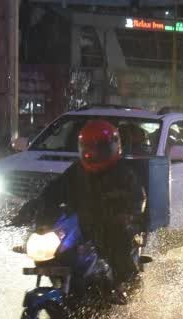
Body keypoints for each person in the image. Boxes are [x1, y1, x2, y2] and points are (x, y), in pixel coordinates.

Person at [16, 119, 146, 302]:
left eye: (99, 149)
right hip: (82, 224)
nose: (93, 154)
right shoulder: (77, 171)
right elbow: (53, 191)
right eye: (89, 148)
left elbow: (138, 198)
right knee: (56, 241)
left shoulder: (123, 173)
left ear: (113, 147)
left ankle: (127, 285)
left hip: (110, 225)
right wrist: (34, 207)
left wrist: (127, 214)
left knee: (118, 241)